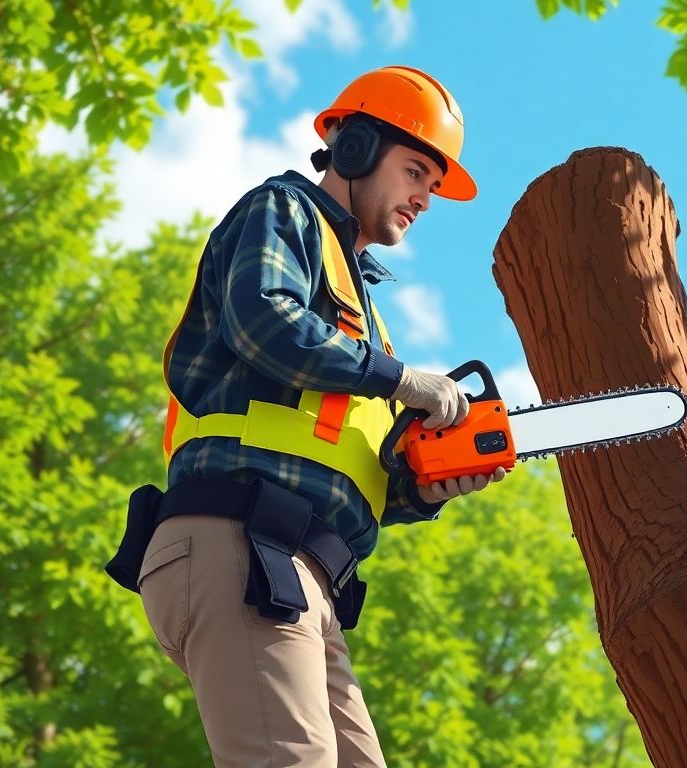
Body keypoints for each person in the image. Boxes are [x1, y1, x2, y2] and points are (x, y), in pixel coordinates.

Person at [105, 65, 505, 767]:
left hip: (296, 573)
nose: (425, 198)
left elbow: (347, 465)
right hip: (239, 543)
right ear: (354, 150)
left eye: (433, 186)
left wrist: (422, 486)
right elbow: (265, 321)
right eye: (416, 172)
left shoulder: (360, 311)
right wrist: (401, 378)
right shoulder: (283, 213)